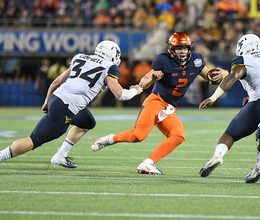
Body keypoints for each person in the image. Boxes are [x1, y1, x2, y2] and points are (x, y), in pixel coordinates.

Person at [91, 32, 229, 175]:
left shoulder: (196, 60)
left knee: (178, 136)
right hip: (156, 101)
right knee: (138, 136)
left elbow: (210, 77)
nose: (182, 51)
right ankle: (109, 139)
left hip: (169, 108)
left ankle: (148, 163)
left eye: (185, 48)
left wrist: (223, 73)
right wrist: (153, 78)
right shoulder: (163, 61)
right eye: (179, 48)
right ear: (171, 49)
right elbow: (143, 82)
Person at [0, 40, 143, 168]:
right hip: (66, 107)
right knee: (34, 140)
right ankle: (2, 156)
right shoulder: (109, 67)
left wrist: (46, 102)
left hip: (58, 99)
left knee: (87, 121)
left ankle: (61, 155)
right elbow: (121, 95)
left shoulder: (80, 57)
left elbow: (56, 82)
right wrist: (135, 90)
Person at [199, 34, 260, 183]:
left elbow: (234, 76)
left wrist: (213, 97)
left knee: (229, 134)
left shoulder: (244, 59)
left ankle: (217, 157)